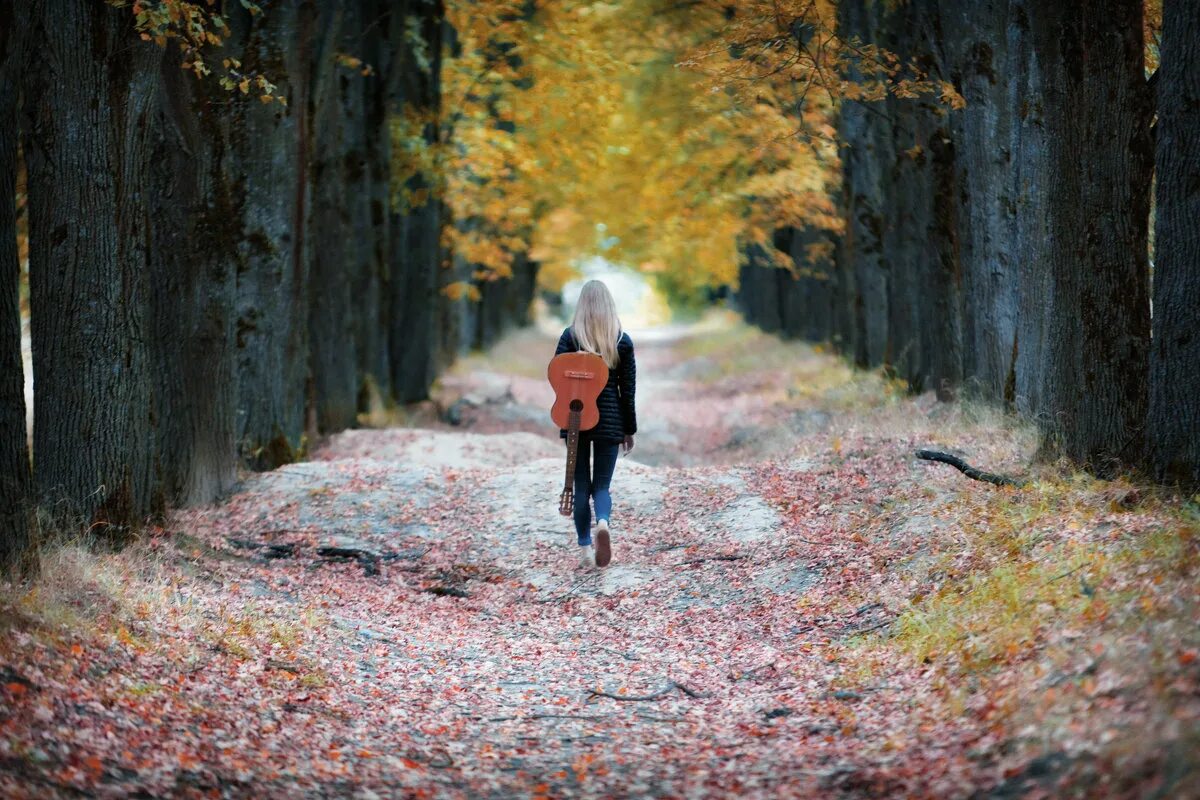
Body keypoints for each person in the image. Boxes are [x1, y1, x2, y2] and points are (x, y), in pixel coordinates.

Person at [555, 280, 637, 569]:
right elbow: (627, 390)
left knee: (580, 485)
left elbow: (556, 378)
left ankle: (585, 550)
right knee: (601, 486)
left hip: (576, 419)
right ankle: (602, 522)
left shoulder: (570, 337)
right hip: (610, 420)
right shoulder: (621, 341)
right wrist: (629, 429)